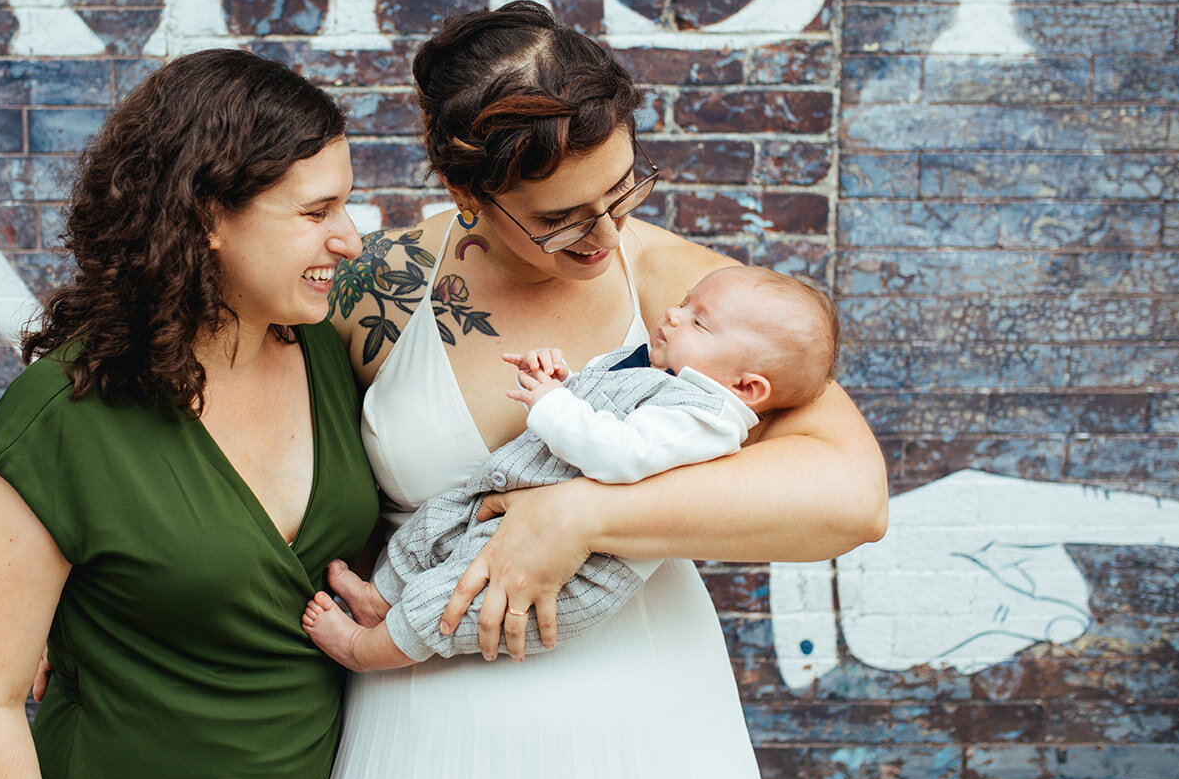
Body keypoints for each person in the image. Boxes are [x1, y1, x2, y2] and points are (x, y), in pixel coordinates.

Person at [318, 1, 887, 779]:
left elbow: (853, 497)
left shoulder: (676, 290)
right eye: (560, 218)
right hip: (423, 726)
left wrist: (580, 516)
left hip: (645, 733)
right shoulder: (376, 288)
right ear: (467, 191)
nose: (606, 232)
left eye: (623, 191)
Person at [0, 50, 379, 779]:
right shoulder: (62, 419)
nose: (351, 240)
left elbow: (481, 247)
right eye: (318, 212)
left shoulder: (335, 350)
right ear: (210, 215)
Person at [302, 265, 838, 671]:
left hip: (575, 574)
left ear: (747, 387)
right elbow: (599, 398)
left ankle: (365, 648)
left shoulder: (706, 417)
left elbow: (621, 452)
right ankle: (379, 596)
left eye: (699, 321)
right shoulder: (662, 371)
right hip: (513, 503)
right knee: (436, 525)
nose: (674, 315)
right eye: (683, 303)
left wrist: (551, 405)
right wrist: (562, 378)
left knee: (456, 599)